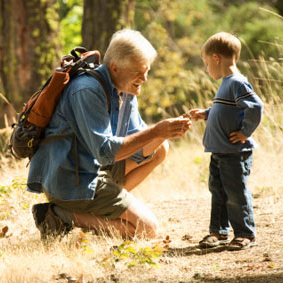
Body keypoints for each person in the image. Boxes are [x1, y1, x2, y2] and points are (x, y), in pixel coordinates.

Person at [28, 29, 191, 241]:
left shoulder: (126, 89)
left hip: (94, 168)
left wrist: (165, 133)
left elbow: (138, 145)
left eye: (147, 71)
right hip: (70, 179)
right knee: (147, 230)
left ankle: (103, 206)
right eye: (138, 72)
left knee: (160, 147)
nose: (145, 78)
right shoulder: (86, 90)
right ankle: (60, 215)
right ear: (115, 68)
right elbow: (106, 153)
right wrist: (156, 130)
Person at [189, 32, 263, 250]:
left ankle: (244, 233)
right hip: (219, 151)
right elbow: (225, 110)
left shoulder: (237, 83)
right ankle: (218, 231)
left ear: (216, 58)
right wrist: (206, 113)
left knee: (235, 192)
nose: (206, 68)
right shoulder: (226, 84)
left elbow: (256, 106)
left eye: (205, 63)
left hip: (234, 152)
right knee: (218, 191)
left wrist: (245, 132)